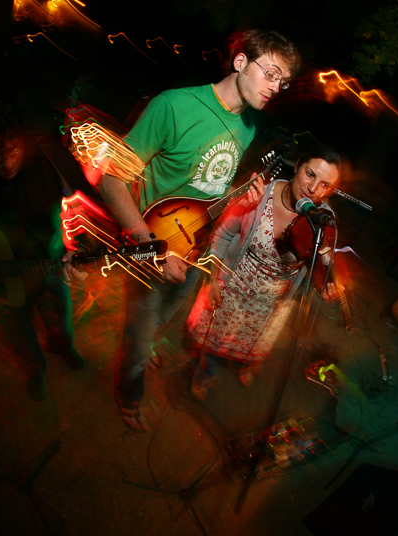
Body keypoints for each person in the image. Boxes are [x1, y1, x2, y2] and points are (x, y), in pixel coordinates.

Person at [64, 30, 301, 430]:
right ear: (241, 62)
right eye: (272, 74)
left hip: (195, 251)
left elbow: (209, 191)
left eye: (284, 82)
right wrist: (154, 249)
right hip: (150, 250)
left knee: (164, 318)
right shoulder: (174, 105)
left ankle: (145, 349)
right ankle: (130, 392)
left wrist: (238, 201)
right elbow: (111, 180)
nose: (277, 87)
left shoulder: (246, 127)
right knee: (139, 338)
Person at [186, 144, 342, 400]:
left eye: (325, 185)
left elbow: (316, 264)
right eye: (310, 174)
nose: (313, 189)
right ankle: (203, 374)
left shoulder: (323, 218)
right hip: (233, 287)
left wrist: (324, 284)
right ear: (298, 163)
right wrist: (213, 279)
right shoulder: (260, 194)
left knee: (254, 343)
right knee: (214, 343)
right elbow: (223, 234)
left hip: (273, 302)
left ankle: (243, 364)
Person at [0, 85, 94, 401]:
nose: (5, 164)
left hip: (49, 262)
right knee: (18, 332)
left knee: (60, 317)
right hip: (3, 282)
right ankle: (35, 370)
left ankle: (64, 347)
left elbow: (93, 209)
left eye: (11, 152)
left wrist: (83, 250)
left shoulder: (49, 157)